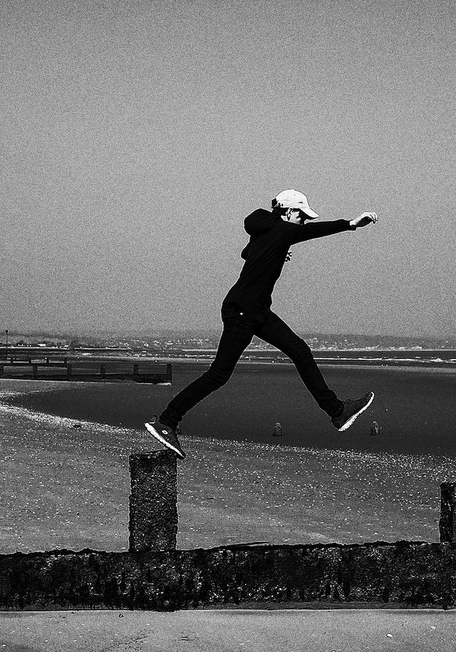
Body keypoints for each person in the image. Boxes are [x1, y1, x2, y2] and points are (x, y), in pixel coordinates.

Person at [145, 189, 378, 458]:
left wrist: (276, 253)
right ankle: (166, 421)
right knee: (218, 375)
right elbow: (312, 232)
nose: (304, 221)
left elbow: (248, 252)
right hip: (242, 311)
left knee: (300, 350)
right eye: (302, 216)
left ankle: (337, 412)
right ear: (289, 212)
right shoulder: (283, 229)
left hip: (258, 312)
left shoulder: (265, 232)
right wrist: (350, 224)